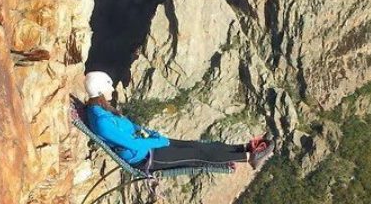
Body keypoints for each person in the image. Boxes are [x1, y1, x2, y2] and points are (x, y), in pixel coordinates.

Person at [83, 71, 274, 172]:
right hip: (145, 157)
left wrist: (151, 133)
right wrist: (158, 141)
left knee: (199, 146)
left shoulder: (101, 111)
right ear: (100, 89)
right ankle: (250, 158)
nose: (113, 90)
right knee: (198, 155)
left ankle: (244, 149)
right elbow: (131, 143)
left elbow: (132, 128)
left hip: (149, 146)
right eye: (109, 87)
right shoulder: (102, 121)